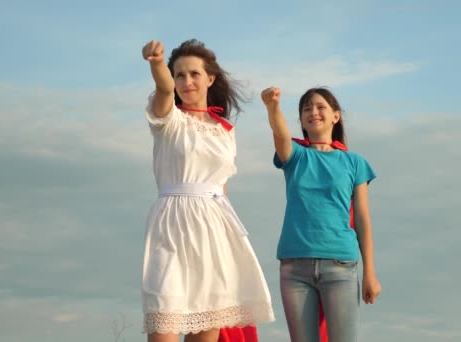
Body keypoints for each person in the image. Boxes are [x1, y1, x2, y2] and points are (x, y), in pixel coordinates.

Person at [140, 38, 274, 342]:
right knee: (163, 321)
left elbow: (221, 186)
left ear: (210, 78)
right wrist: (157, 63)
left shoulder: (225, 130)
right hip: (171, 223)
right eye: (180, 75)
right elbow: (162, 90)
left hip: (214, 226)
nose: (186, 81)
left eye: (194, 74)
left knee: (207, 328)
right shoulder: (168, 119)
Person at [261, 86, 381, 342]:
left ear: (336, 116)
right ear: (301, 120)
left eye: (320, 107)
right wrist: (273, 109)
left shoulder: (355, 163)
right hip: (295, 267)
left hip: (340, 266)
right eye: (306, 109)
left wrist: (370, 272)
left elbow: (362, 219)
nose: (313, 112)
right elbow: (280, 135)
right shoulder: (295, 155)